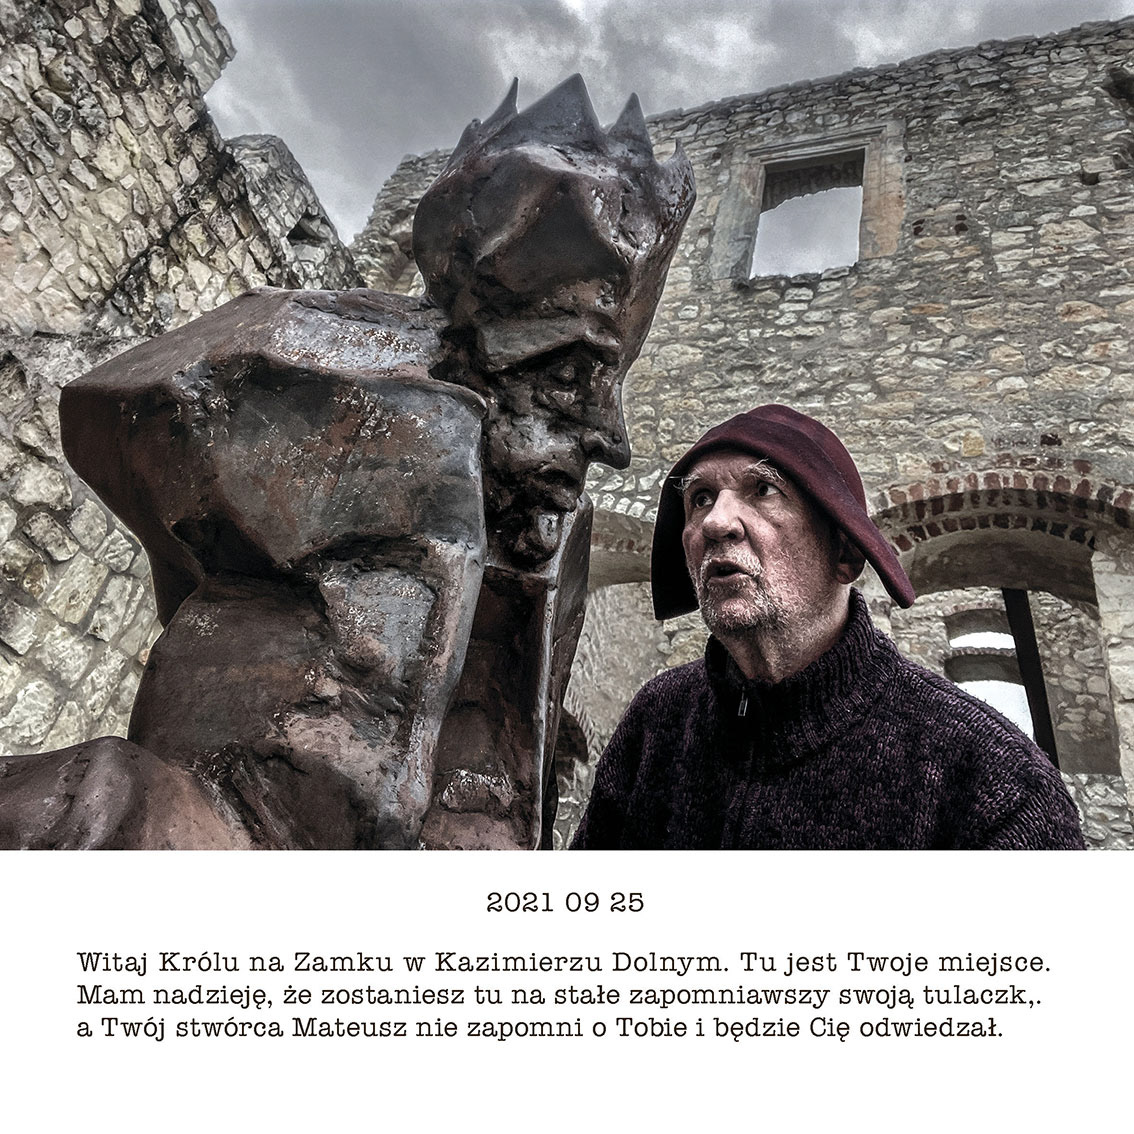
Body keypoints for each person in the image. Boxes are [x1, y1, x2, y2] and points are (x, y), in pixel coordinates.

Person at [571, 404, 1086, 850]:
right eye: (701, 497)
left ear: (843, 554)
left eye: (763, 490)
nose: (715, 522)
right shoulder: (659, 720)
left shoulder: (991, 776)